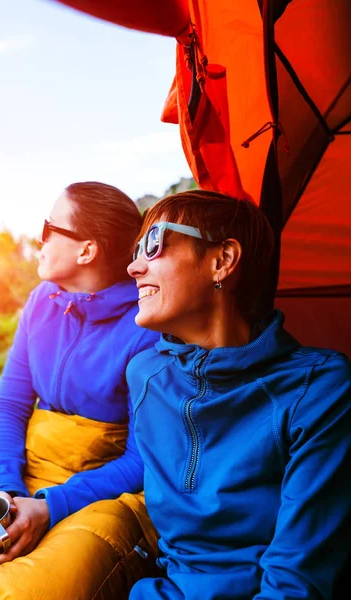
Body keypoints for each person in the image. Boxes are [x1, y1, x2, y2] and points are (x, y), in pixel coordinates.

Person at [126, 189, 351, 600]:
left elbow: (298, 579)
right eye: (136, 248)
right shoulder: (146, 376)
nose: (133, 265)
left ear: (222, 260)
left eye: (153, 243)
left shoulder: (319, 388)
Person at [0, 182, 160, 599]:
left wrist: (49, 507)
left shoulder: (147, 327)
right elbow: (9, 404)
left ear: (86, 251)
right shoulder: (40, 302)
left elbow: (142, 460)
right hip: (24, 474)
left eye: (49, 227)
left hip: (106, 495)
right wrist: (3, 491)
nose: (40, 237)